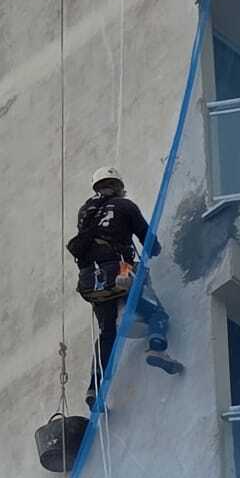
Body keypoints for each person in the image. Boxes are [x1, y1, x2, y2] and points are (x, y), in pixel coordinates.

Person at [67, 167, 182, 409]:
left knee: (107, 333)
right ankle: (156, 348)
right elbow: (150, 243)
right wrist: (156, 250)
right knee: (157, 314)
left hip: (91, 283)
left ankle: (94, 389)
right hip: (120, 273)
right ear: (118, 186)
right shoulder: (124, 205)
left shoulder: (85, 212)